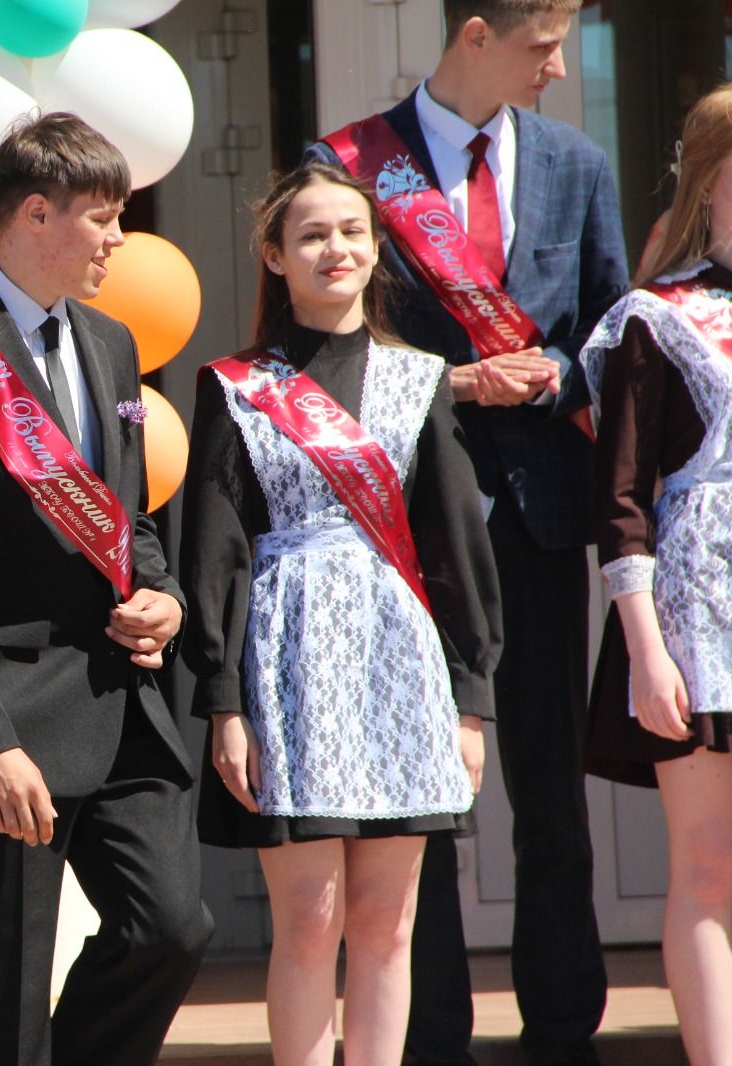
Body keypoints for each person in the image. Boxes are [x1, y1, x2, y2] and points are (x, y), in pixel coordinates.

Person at [306, 2, 628, 1060]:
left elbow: (605, 333)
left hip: (537, 511)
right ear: (475, 36)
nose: (557, 68)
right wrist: (458, 379)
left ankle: (562, 1022)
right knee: (415, 785)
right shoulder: (351, 165)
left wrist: (551, 377)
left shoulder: (576, 165)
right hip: (402, 519)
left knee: (544, 780)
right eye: (541, 47)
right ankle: (428, 1029)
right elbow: (335, 348)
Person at [0, 111, 212, 1066]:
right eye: (103, 218)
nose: (119, 240)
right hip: (2, 712)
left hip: (119, 700)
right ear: (35, 216)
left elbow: (128, 511)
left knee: (170, 928)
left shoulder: (109, 343)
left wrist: (164, 593)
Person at [180, 163, 499, 1066]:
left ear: (375, 250)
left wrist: (471, 699)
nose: (337, 249)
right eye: (313, 235)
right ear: (275, 257)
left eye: (353, 232)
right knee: (312, 923)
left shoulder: (419, 379)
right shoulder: (236, 386)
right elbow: (217, 551)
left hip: (399, 662)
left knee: (386, 925)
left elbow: (453, 547)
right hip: (289, 664)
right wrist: (223, 702)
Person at [580, 83, 732, 1066]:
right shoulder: (658, 315)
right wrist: (644, 650)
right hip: (700, 606)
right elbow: (623, 494)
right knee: (707, 863)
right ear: (710, 181)